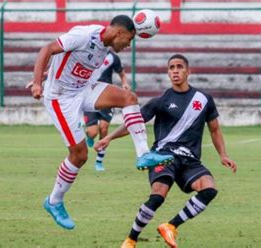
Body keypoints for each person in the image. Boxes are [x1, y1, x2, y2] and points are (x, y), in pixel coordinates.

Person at [30, 15, 174, 230]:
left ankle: (143, 153)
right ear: (119, 33)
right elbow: (47, 49)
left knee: (129, 98)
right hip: (61, 97)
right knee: (79, 156)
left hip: (83, 90)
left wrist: (47, 73)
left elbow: (70, 63)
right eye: (130, 39)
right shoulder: (83, 35)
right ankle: (54, 201)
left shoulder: (106, 46)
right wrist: (37, 83)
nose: (129, 45)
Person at [94, 54, 238, 248]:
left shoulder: (204, 100)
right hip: (163, 156)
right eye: (171, 68)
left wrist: (223, 155)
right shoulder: (160, 101)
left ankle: (170, 226)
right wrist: (109, 137)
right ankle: (130, 240)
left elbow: (215, 129)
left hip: (190, 160)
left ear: (188, 71)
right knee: (158, 195)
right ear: (168, 73)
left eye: (179, 67)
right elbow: (133, 122)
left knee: (209, 189)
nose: (175, 71)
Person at [84, 50, 130, 171]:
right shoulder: (90, 54)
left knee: (104, 128)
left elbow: (122, 74)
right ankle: (89, 135)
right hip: (90, 96)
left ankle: (99, 162)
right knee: (93, 132)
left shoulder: (113, 58)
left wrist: (124, 83)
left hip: (106, 97)